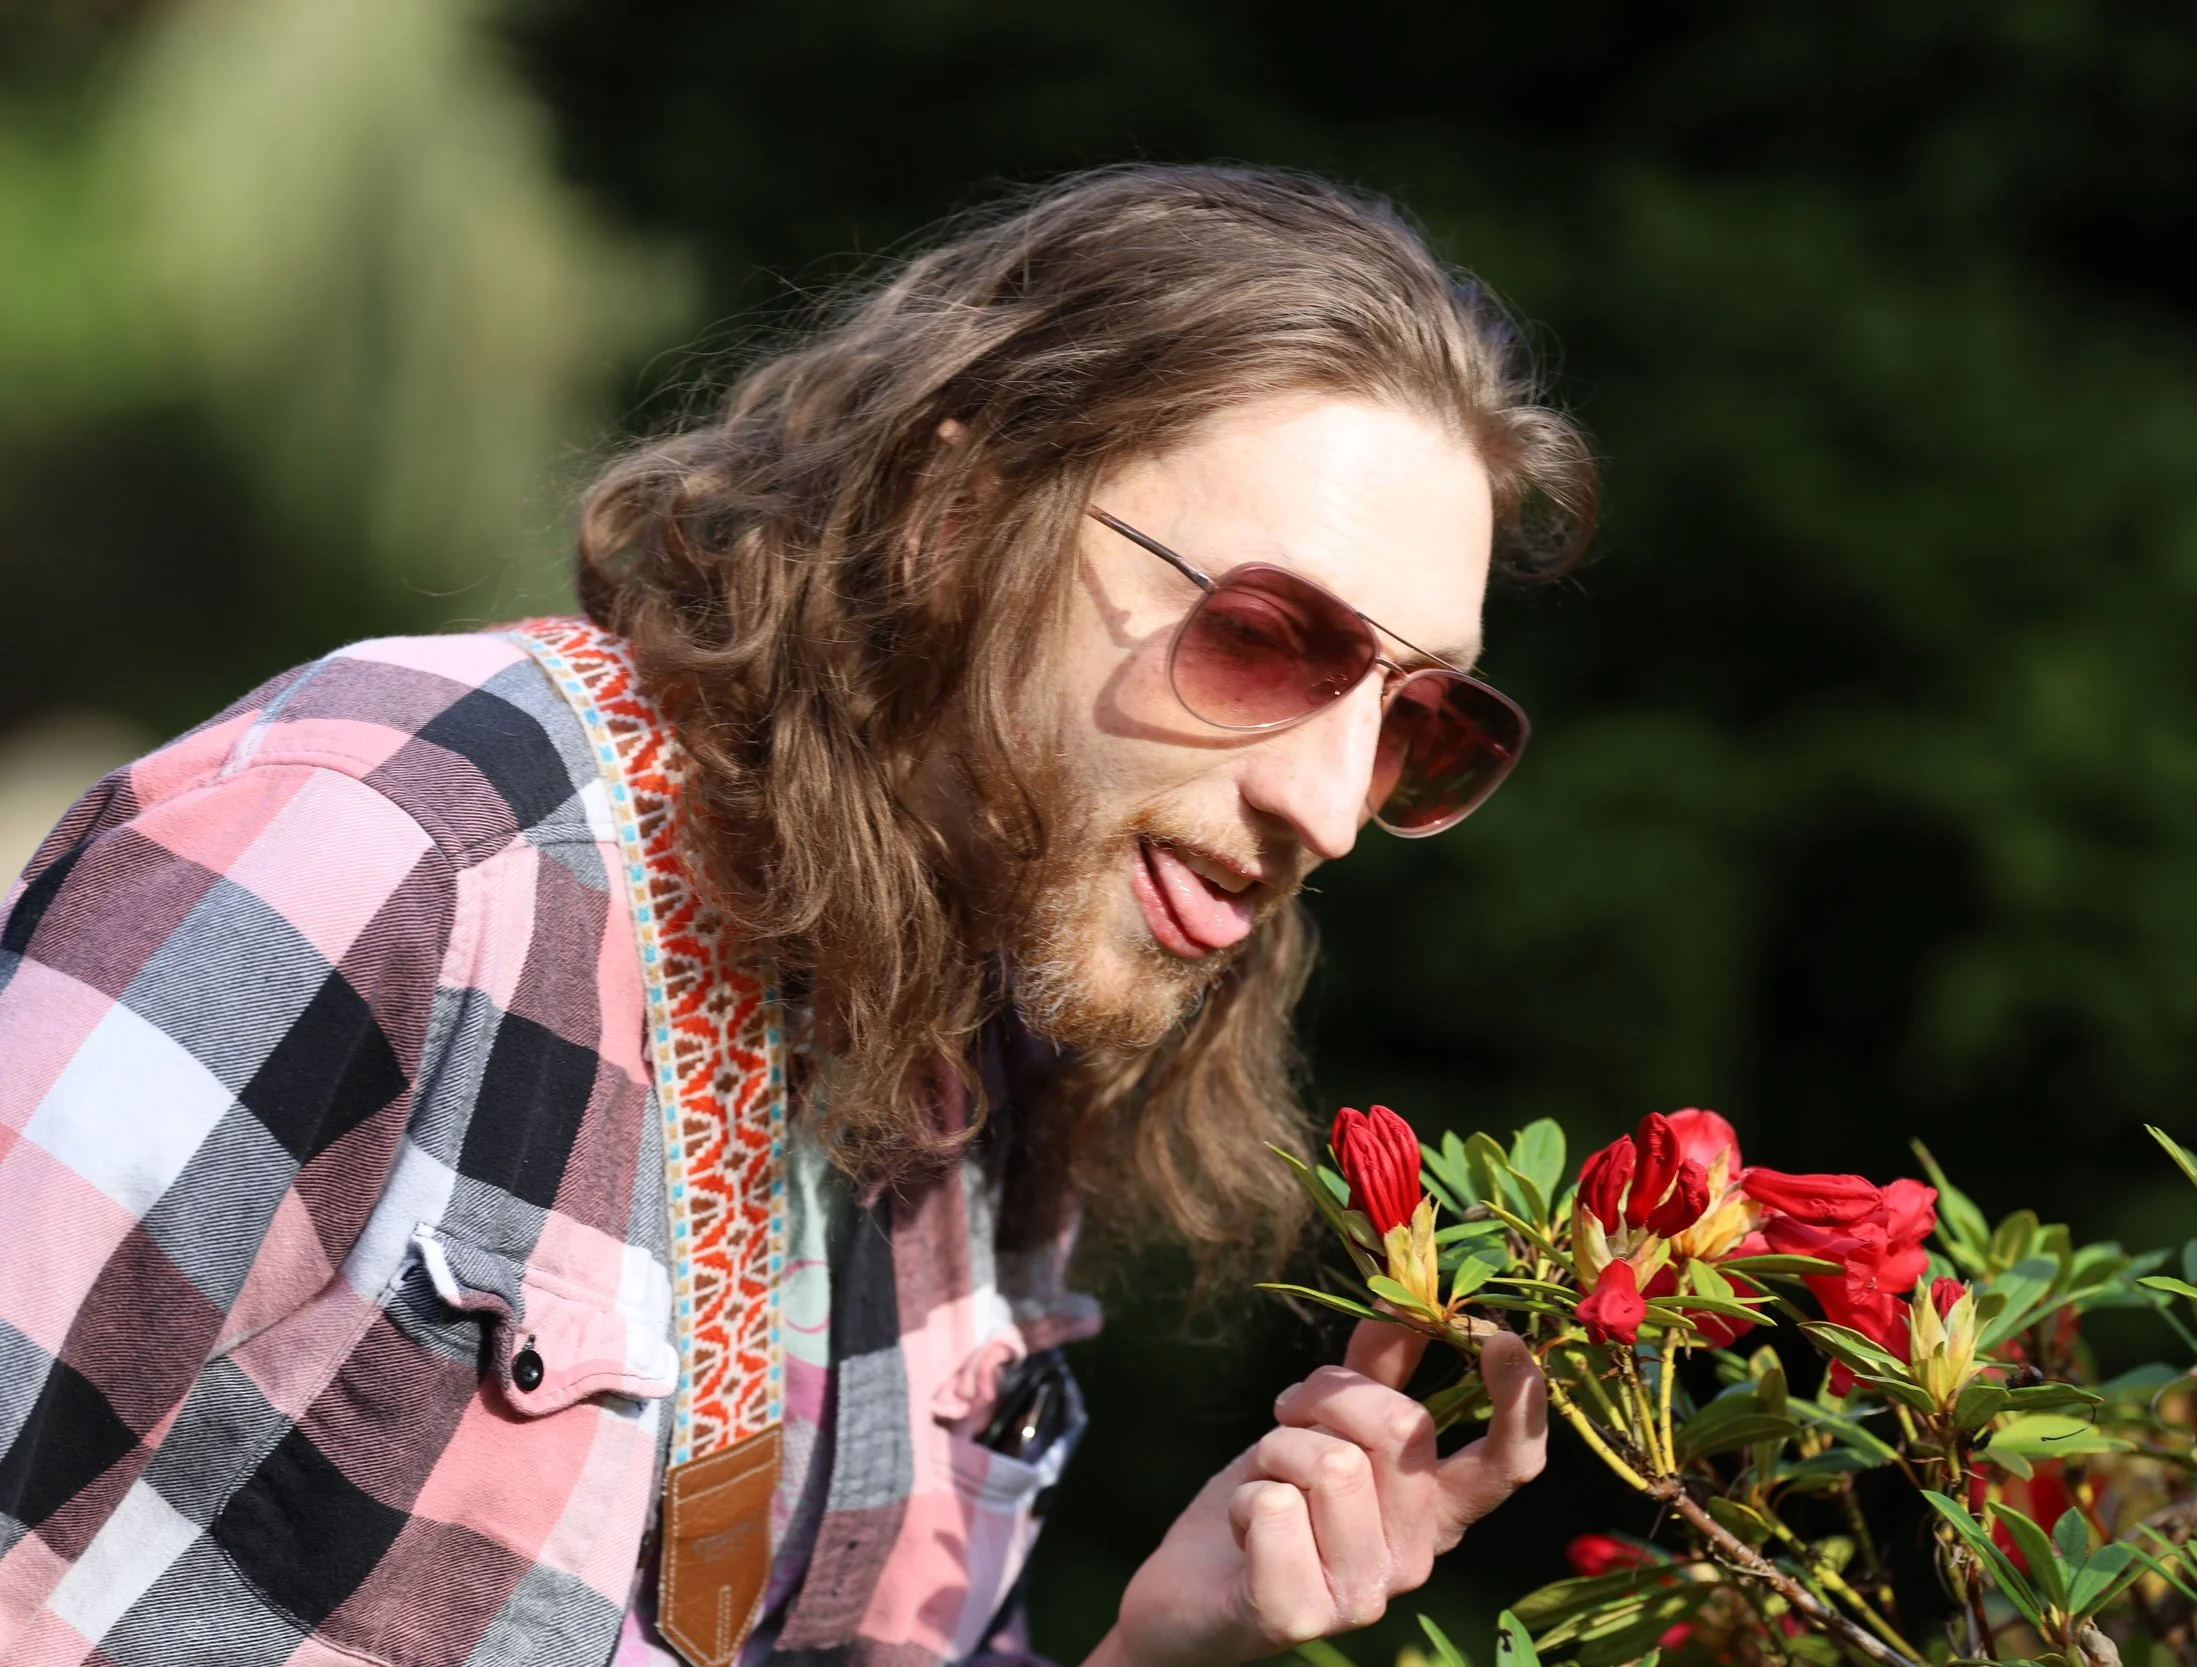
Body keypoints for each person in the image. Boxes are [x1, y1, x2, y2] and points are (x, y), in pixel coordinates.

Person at [0, 164, 1596, 1667]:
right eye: (1262, 634)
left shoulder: (990, 1049)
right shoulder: (401, 846)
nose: (1329, 806)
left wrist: (1154, 1645)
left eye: (1412, 724)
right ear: (959, 518)